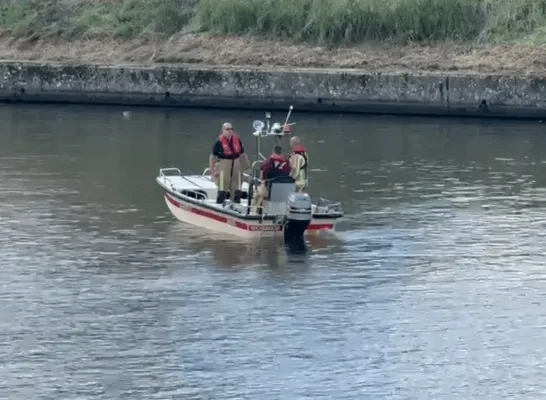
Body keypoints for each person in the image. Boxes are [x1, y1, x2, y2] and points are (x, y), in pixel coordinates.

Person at [209, 122, 250, 202]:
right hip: (224, 163)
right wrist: (212, 173)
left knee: (237, 189)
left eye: (231, 129)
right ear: (223, 131)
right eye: (228, 129)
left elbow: (242, 154)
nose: (230, 131)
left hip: (236, 164)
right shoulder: (219, 142)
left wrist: (247, 167)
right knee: (222, 189)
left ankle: (236, 204)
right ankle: (220, 204)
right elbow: (212, 158)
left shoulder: (237, 140)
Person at [252, 145, 291, 210]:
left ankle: (255, 210)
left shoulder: (266, 163)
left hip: (270, 192)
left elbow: (262, 179)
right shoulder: (287, 164)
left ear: (273, 152)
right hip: (285, 192)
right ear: (281, 153)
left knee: (258, 192)